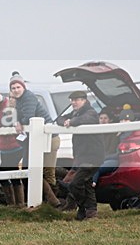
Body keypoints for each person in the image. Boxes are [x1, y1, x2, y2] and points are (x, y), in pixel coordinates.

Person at [8, 72, 62, 206]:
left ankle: (54, 203)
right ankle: (50, 202)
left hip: (48, 138)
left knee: (47, 171)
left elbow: (28, 117)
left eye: (18, 87)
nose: (15, 90)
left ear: (23, 87)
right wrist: (16, 120)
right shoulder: (19, 101)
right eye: (13, 88)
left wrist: (19, 121)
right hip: (36, 139)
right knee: (32, 168)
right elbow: (14, 117)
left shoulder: (28, 98)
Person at [57, 91, 104, 220]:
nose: (73, 102)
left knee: (75, 184)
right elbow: (59, 119)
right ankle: (91, 212)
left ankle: (83, 208)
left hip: (92, 156)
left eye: (76, 100)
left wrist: (71, 121)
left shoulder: (91, 112)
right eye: (72, 100)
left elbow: (86, 119)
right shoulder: (76, 113)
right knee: (87, 184)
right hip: (83, 156)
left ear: (84, 100)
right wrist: (67, 121)